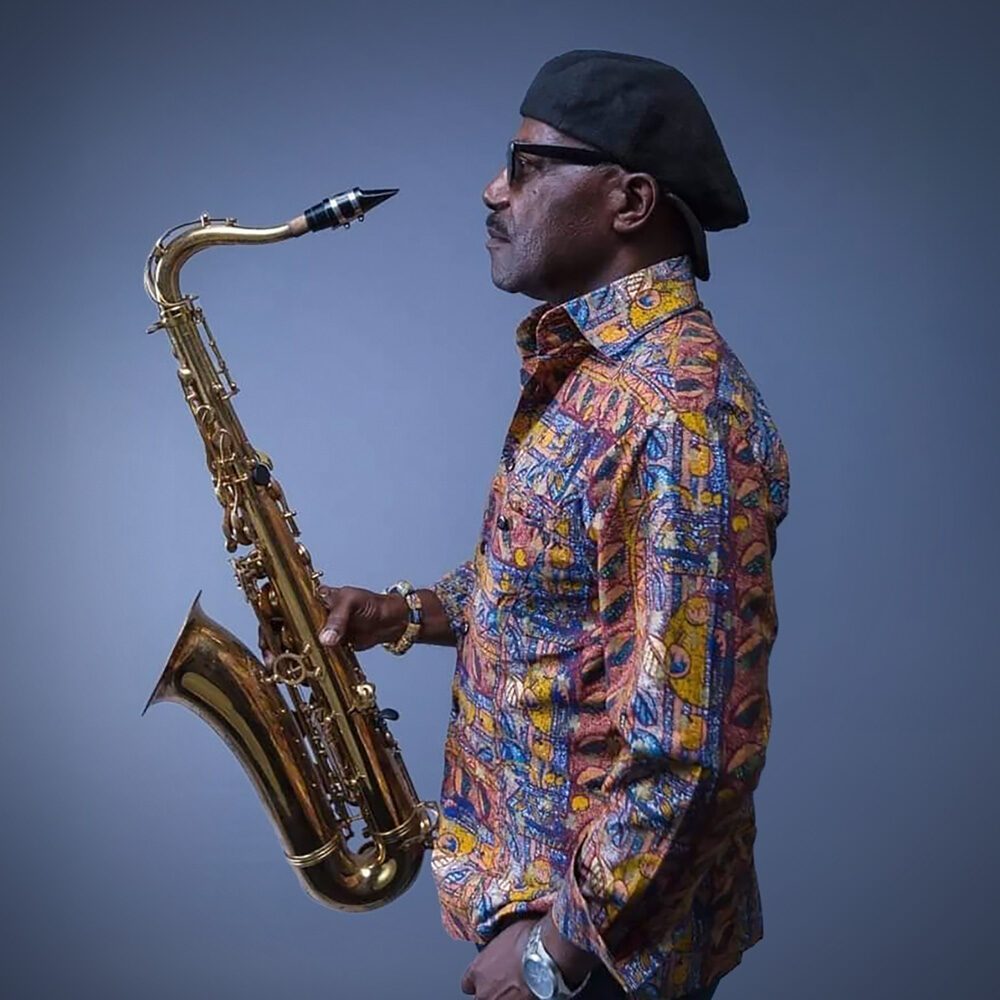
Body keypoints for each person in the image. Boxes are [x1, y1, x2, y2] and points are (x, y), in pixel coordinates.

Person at [312, 50, 790, 1000]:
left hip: (599, 956)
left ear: (630, 200)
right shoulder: (594, 375)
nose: (494, 190)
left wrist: (556, 954)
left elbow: (694, 753)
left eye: (527, 167)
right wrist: (399, 614)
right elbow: (560, 588)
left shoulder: (677, 413)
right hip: (540, 915)